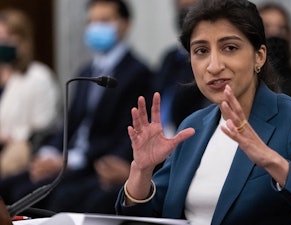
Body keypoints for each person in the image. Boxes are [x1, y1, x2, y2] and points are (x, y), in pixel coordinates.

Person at [115, 0, 291, 224]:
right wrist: (141, 172)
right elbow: (150, 216)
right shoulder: (193, 126)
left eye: (230, 48)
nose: (213, 66)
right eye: (201, 51)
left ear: (259, 56)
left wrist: (274, 162)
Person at [0, 0, 154, 214]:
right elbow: (69, 123)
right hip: (65, 159)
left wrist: (66, 161)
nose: (95, 27)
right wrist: (49, 152)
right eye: (91, 21)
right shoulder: (87, 69)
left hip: (92, 164)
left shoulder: (138, 73)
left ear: (125, 24)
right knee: (6, 186)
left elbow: (124, 134)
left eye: (104, 21)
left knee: (35, 196)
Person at [0, 9, 60, 178]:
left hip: (23, 152)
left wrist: (10, 136)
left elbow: (45, 126)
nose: (1, 44)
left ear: (23, 41)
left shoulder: (38, 76)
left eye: (7, 39)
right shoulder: (4, 76)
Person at [154, 0, 210, 134]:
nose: (186, 13)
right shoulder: (170, 58)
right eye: (182, 8)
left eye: (192, 7)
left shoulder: (211, 61)